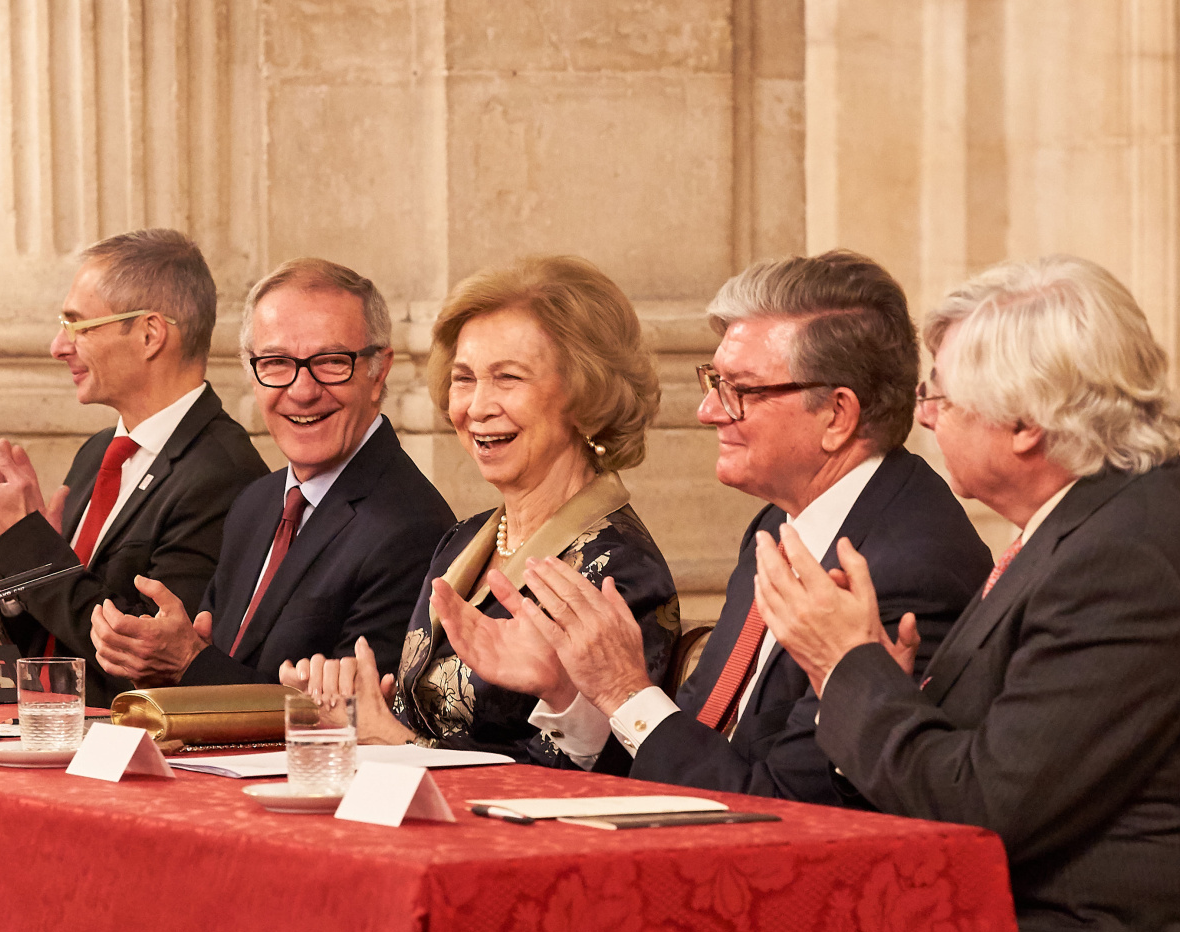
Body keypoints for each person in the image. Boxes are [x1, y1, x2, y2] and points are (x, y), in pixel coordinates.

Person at [759, 255, 1180, 932]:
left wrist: (848, 664)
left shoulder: (1126, 563)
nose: (927, 419)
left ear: (1027, 423)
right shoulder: (1092, 525)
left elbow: (982, 809)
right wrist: (878, 680)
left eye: (941, 398)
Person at [446, 251, 992, 799]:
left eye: (740, 389)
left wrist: (624, 690)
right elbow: (697, 743)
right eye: (713, 380)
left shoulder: (906, 570)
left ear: (837, 415)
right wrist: (573, 693)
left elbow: (782, 810)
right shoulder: (782, 522)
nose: (707, 411)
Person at [285, 256, 678, 764]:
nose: (476, 406)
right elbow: (421, 723)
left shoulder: (617, 571)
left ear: (587, 394)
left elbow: (579, 778)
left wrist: (393, 744)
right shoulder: (463, 540)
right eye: (464, 378)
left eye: (508, 378)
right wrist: (356, 714)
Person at [87, 258, 455, 687]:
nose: (302, 391)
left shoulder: (411, 529)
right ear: (251, 372)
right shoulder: (255, 502)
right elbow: (223, 666)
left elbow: (350, 722)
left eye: (332, 361)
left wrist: (189, 663)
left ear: (378, 372)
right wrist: (155, 664)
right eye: (277, 362)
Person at [0, 228, 269, 705]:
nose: (58, 345)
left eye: (78, 325)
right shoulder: (98, 452)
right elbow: (49, 645)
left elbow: (140, 653)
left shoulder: (222, 472)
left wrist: (27, 547)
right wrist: (22, 571)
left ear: (150, 334)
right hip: (48, 727)